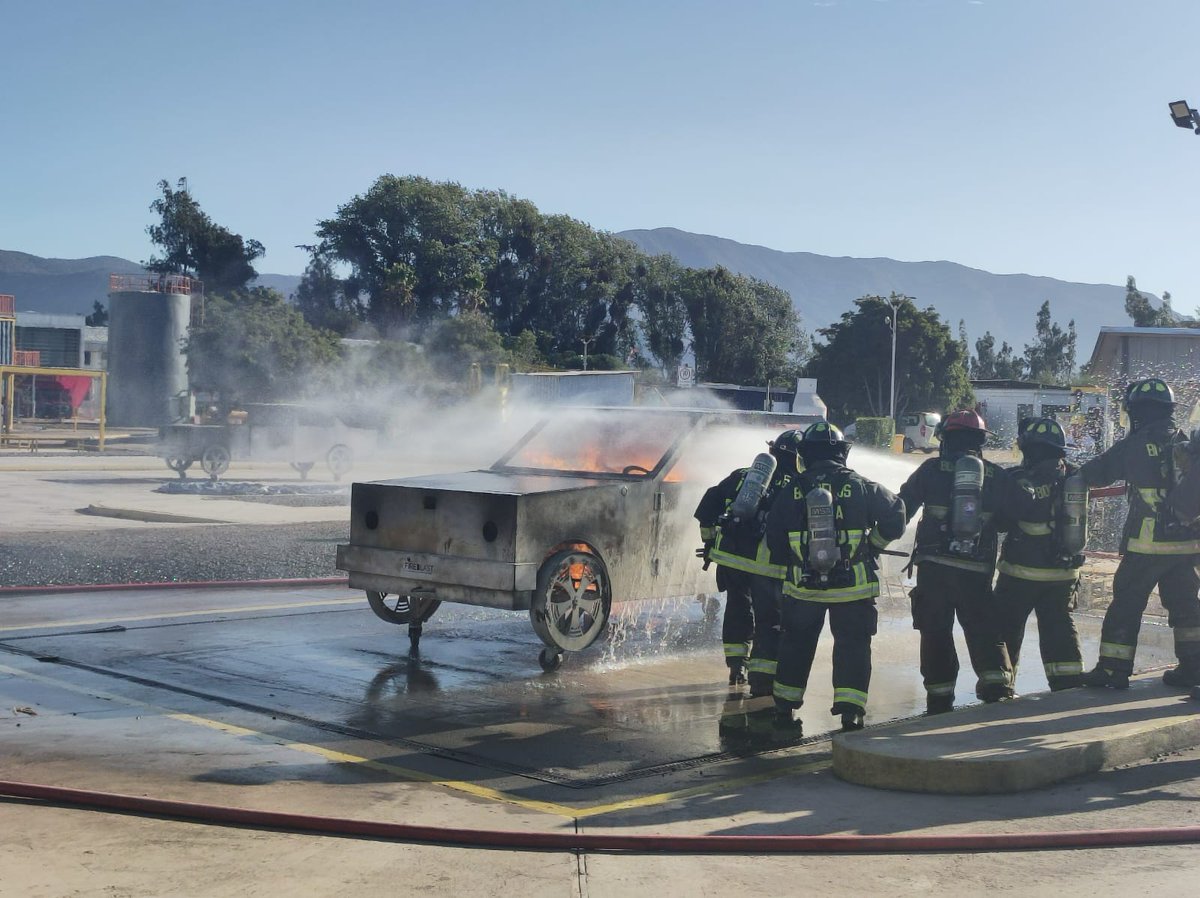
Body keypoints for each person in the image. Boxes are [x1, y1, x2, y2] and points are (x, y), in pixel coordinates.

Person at [764, 421, 906, 733]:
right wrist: (872, 546)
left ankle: (784, 708)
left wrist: (793, 561)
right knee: (853, 647)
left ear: (806, 454)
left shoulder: (794, 489)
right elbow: (897, 514)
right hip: (852, 588)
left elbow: (773, 534)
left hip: (804, 589)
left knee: (795, 646)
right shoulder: (857, 484)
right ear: (842, 453)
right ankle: (851, 712)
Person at [1078, 378, 1200, 690]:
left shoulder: (1135, 444)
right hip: (1185, 546)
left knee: (1126, 604)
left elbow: (1095, 474)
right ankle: (1193, 668)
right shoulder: (1183, 440)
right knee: (1187, 609)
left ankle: (1113, 669)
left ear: (1136, 412)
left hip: (1147, 546)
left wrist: (1067, 474)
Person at [898, 409, 1015, 713]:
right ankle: (997, 688)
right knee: (984, 630)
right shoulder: (997, 475)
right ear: (980, 441)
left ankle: (939, 698)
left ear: (945, 439)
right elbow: (1006, 522)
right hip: (977, 570)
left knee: (936, 632)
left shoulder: (930, 470)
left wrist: (872, 542)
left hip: (934, 569)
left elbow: (901, 510)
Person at [695, 429, 801, 694]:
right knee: (768, 620)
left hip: (730, 560)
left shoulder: (744, 475)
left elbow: (708, 504)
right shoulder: (798, 484)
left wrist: (709, 541)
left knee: (737, 609)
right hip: (768, 566)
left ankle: (736, 666)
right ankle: (761, 677)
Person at [994, 417, 1085, 691]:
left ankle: (1000, 686)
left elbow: (1001, 523)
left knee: (1006, 630)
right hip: (1064, 572)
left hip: (1020, 574)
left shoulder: (1015, 480)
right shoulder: (1074, 477)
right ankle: (1068, 685)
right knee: (1059, 628)